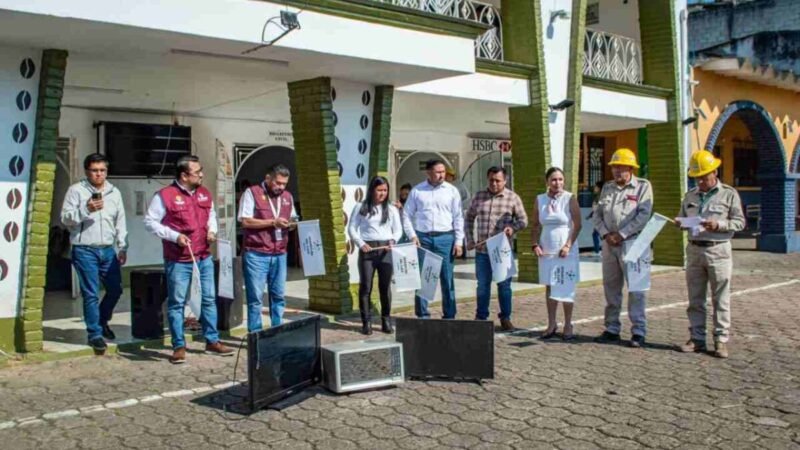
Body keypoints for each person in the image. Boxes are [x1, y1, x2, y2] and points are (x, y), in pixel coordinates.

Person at [144, 155, 234, 364]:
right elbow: (150, 222)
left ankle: (212, 340)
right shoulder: (165, 195)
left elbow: (211, 215)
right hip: (179, 259)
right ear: (184, 175)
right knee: (177, 303)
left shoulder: (204, 193)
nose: (202, 174)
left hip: (203, 256)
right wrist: (175, 236)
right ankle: (179, 345)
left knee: (209, 298)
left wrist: (211, 230)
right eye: (197, 171)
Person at [676, 150, 744, 358]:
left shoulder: (729, 194)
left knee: (720, 297)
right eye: (698, 177)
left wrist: (719, 224)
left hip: (718, 249)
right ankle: (697, 338)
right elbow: (681, 217)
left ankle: (721, 340)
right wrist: (680, 223)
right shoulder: (690, 196)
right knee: (695, 298)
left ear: (714, 172)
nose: (701, 181)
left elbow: (740, 222)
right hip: (695, 249)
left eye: (704, 177)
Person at [60, 154, 127, 354]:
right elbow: (65, 218)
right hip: (84, 249)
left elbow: (120, 221)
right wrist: (85, 209)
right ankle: (95, 334)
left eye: (102, 170)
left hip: (107, 249)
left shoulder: (114, 192)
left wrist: (122, 246)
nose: (99, 174)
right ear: (87, 171)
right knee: (90, 293)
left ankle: (102, 320)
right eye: (94, 170)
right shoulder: (76, 191)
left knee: (115, 289)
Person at [591, 148, 653, 348]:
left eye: (621, 167)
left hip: (634, 243)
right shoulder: (607, 188)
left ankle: (638, 331)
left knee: (636, 290)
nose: (617, 171)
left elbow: (644, 215)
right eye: (614, 167)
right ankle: (611, 329)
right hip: (609, 245)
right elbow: (597, 214)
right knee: (611, 289)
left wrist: (622, 233)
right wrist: (606, 234)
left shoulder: (642, 187)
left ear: (630, 168)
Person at [465, 166, 527, 331]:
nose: (494, 183)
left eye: (498, 180)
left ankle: (505, 318)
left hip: (502, 251)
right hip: (482, 251)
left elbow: (523, 220)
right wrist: (470, 239)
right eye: (491, 180)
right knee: (483, 286)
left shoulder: (513, 198)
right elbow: (469, 218)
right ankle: (481, 317)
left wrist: (512, 228)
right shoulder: (479, 197)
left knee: (504, 287)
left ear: (505, 181)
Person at [238, 164, 297, 332]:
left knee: (278, 295)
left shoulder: (287, 196)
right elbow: (245, 221)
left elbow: (293, 217)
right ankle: (255, 335)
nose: (281, 187)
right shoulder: (252, 193)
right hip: (257, 253)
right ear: (268, 178)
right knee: (256, 298)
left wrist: (292, 224)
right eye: (278, 183)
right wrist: (273, 222)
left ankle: (276, 332)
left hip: (280, 252)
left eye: (284, 184)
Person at [403, 159, 464, 319]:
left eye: (443, 172)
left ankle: (449, 315)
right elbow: (406, 215)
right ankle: (423, 315)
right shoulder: (417, 191)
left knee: (447, 278)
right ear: (428, 173)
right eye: (438, 172)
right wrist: (412, 235)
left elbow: (458, 217)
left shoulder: (452, 191)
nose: (441, 175)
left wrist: (458, 241)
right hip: (424, 239)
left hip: (446, 238)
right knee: (425, 278)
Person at [531, 167, 582, 340]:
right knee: (550, 285)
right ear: (547, 182)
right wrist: (535, 244)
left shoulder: (570, 198)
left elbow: (577, 224)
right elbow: (535, 225)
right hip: (547, 248)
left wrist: (568, 245)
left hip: (566, 248)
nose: (557, 183)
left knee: (566, 284)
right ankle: (552, 323)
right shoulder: (540, 199)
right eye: (553, 179)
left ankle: (568, 323)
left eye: (560, 179)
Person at [348, 176, 403, 335]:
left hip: (386, 249)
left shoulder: (391, 208)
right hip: (368, 250)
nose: (382, 193)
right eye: (379, 190)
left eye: (385, 190)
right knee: (366, 286)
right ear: (372, 190)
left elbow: (398, 229)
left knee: (385, 287)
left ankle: (386, 319)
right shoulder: (361, 206)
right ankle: (366, 322)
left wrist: (393, 240)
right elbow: (352, 228)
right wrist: (360, 243)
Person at [590, 181, 604, 255]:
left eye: (595, 187)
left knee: (597, 234)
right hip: (597, 219)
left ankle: (598, 251)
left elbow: (600, 208)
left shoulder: (601, 197)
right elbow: (595, 208)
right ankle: (599, 251)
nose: (594, 188)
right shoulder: (597, 196)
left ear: (599, 188)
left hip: (600, 220)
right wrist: (591, 214)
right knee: (599, 235)